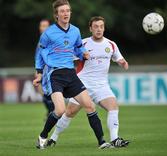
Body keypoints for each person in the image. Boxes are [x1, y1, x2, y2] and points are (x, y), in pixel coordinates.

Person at [33, 0, 110, 149]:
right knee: (60, 110)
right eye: (62, 11)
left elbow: (78, 48)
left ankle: (102, 142)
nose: (65, 13)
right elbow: (39, 54)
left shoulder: (75, 31)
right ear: (56, 15)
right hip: (55, 74)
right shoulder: (48, 33)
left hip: (71, 74)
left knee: (90, 106)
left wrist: (83, 54)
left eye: (67, 10)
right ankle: (42, 136)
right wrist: (39, 73)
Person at [47, 16, 130, 148]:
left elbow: (119, 59)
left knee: (113, 107)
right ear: (90, 29)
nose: (99, 29)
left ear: (104, 28)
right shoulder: (83, 44)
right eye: (96, 26)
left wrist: (123, 63)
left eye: (101, 26)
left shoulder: (111, 44)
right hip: (82, 84)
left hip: (102, 85)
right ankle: (53, 138)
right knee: (69, 113)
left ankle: (115, 139)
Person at [37, 19, 55, 117]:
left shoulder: (50, 40)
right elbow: (38, 57)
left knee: (49, 93)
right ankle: (51, 112)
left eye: (45, 26)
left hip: (49, 71)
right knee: (43, 93)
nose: (43, 28)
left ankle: (53, 113)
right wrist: (37, 70)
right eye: (42, 26)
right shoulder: (41, 40)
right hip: (41, 71)